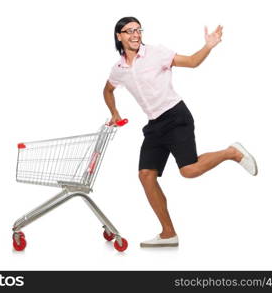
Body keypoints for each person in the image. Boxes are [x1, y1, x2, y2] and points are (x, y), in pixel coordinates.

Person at [103, 17, 258, 248]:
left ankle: (231, 152)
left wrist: (208, 46)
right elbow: (107, 90)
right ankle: (168, 233)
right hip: (154, 126)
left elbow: (193, 62)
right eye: (129, 31)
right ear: (119, 36)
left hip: (176, 117)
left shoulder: (156, 53)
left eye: (138, 30)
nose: (135, 35)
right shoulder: (119, 69)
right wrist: (114, 112)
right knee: (146, 175)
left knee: (189, 170)